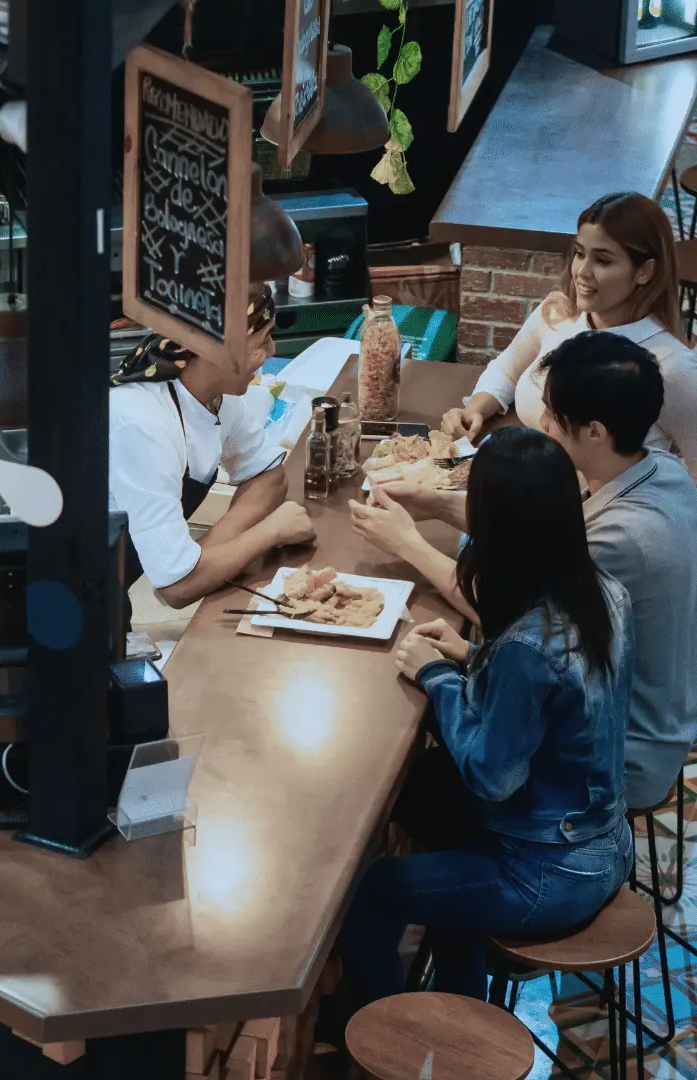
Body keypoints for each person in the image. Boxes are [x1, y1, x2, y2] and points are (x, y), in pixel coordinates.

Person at [337, 427, 634, 1010]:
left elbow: (492, 775)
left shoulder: (527, 643)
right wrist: (474, 656)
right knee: (427, 794)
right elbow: (560, 699)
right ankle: (459, 997)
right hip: (605, 843)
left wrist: (438, 675)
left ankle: (385, 1036)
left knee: (373, 891)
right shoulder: (603, 592)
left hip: (549, 873)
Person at [355, 331, 697, 810]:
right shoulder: (659, 467)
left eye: (553, 414)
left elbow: (500, 610)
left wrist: (407, 543)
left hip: (619, 756)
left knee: (414, 780)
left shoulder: (620, 539)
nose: (544, 425)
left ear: (595, 432)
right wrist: (432, 503)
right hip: (637, 716)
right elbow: (541, 526)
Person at [442, 192, 696, 470]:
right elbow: (507, 371)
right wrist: (474, 409)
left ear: (645, 271)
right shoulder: (556, 314)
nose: (582, 272)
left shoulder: (673, 366)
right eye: (579, 253)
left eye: (603, 261)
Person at [107, 287, 316, 609]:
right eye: (263, 340)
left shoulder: (218, 398)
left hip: (108, 588)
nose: (272, 350)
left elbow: (268, 478)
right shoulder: (144, 424)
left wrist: (203, 556)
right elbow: (176, 589)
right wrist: (270, 532)